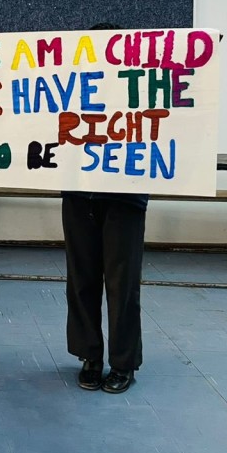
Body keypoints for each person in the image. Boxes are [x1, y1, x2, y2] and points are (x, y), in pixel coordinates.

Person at [63, 23, 147, 394]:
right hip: (80, 195)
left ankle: (124, 362)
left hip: (126, 198)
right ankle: (90, 356)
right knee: (81, 279)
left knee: (122, 283)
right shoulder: (72, 89)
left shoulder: (141, 88)